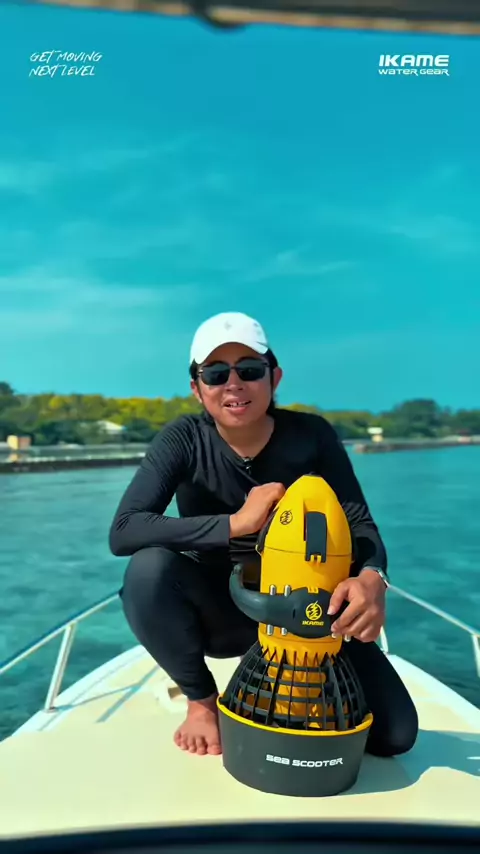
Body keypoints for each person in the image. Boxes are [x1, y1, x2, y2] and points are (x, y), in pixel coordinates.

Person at [109, 311, 418, 758]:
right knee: (148, 569)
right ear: (197, 388)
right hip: (222, 613)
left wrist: (373, 577)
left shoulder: (311, 436)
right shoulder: (183, 439)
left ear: (275, 378)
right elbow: (124, 530)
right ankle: (201, 702)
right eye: (216, 373)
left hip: (307, 613)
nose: (233, 384)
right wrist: (235, 523)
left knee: (394, 736)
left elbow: (360, 526)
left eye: (250, 370)